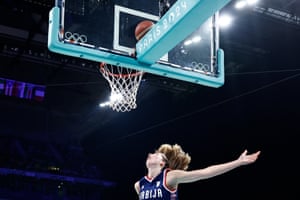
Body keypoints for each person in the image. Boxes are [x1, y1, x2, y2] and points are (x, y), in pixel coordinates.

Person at [134, 144, 261, 200]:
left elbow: (205, 173)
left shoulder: (170, 177)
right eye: (151, 154)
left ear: (162, 163)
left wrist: (237, 162)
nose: (151, 154)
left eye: (156, 155)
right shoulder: (139, 185)